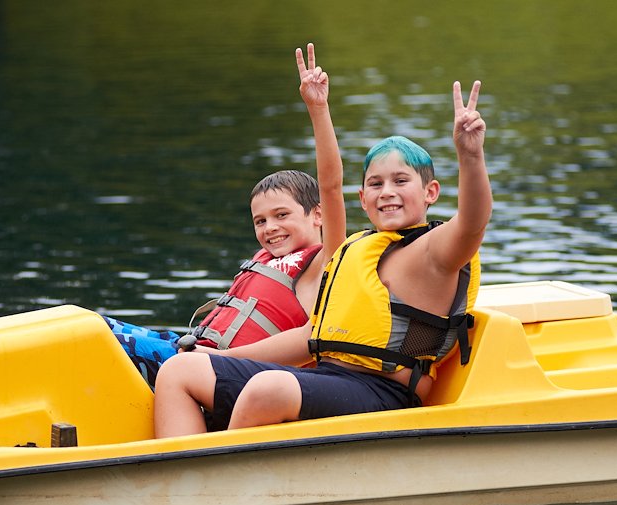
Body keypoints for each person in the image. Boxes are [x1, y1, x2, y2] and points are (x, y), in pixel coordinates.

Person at [153, 71, 491, 438]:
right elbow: (310, 336)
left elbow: (473, 222)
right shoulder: (352, 253)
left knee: (267, 389)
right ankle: (183, 469)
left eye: (400, 180)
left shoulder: (435, 252)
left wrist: (470, 155)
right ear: (363, 198)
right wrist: (218, 358)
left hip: (386, 393)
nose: (386, 192)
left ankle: (220, 472)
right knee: (179, 370)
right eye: (375, 184)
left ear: (430, 192)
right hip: (328, 379)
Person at [105, 43, 345, 387]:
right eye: (260, 221)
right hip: (189, 350)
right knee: (90, 324)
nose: (270, 228)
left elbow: (331, 186)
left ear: (317, 214)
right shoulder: (268, 260)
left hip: (221, 372)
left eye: (281, 215)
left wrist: (318, 108)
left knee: (94, 339)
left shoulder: (323, 265)